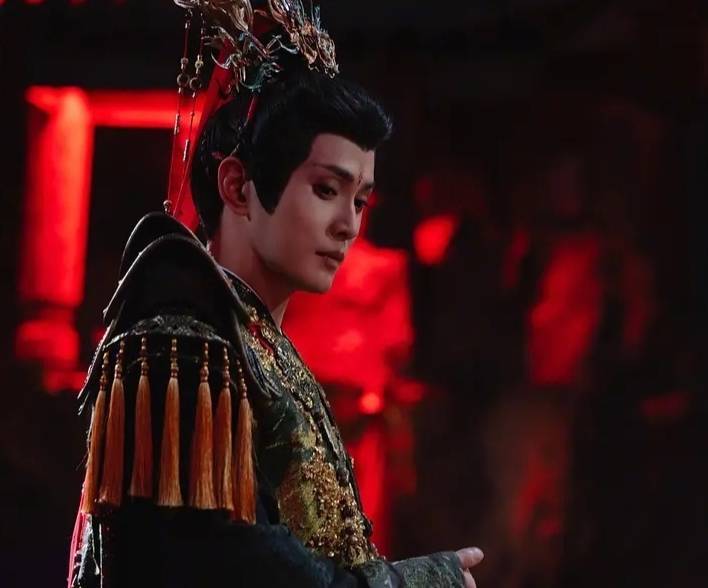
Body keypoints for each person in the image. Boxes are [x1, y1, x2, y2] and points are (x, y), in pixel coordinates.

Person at [69, 2, 483, 586]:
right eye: (326, 190)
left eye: (360, 200)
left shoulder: (255, 342)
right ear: (238, 185)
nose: (349, 225)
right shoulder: (179, 343)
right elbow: (226, 565)